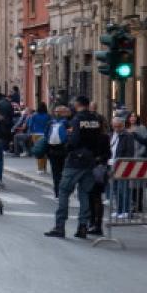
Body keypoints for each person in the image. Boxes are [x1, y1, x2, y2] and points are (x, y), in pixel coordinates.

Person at [44, 96, 103, 239]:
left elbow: (74, 140)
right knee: (84, 194)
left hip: (75, 160)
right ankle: (83, 226)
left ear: (77, 104)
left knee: (64, 191)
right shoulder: (96, 120)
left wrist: (67, 146)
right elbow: (99, 139)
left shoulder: (77, 119)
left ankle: (60, 226)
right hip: (90, 160)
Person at [108, 116, 136, 219]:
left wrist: (124, 163)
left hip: (122, 165)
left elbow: (130, 152)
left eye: (119, 126)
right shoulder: (111, 135)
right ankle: (119, 209)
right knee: (115, 189)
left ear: (123, 125)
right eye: (114, 126)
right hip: (111, 164)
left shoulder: (127, 136)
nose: (116, 128)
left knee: (123, 189)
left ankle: (126, 210)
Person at [44, 106, 71, 197]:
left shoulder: (50, 123)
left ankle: (57, 192)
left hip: (52, 151)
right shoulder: (67, 123)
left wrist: (47, 151)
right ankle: (63, 192)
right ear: (63, 113)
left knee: (55, 173)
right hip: (63, 150)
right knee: (64, 172)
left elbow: (45, 136)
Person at [26, 103, 51, 174]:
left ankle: (40, 168)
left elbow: (30, 125)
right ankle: (45, 168)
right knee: (45, 151)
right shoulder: (48, 116)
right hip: (46, 134)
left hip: (36, 134)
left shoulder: (34, 115)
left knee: (39, 151)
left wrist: (31, 132)